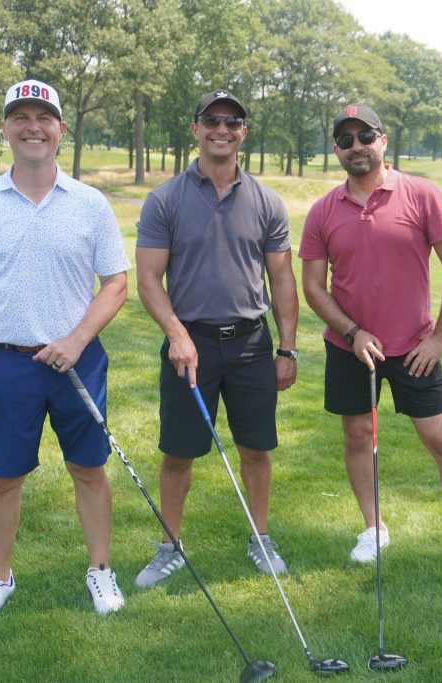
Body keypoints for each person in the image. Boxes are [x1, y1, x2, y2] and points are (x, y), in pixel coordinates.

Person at [0, 79, 131, 627]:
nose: (33, 127)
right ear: (4, 128)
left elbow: (116, 283)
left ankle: (100, 569)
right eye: (20, 117)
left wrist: (76, 341)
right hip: (8, 364)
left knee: (89, 469)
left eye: (43, 117)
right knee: (4, 477)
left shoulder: (90, 204)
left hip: (79, 361)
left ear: (60, 129)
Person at [300, 103, 442, 585]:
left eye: (365, 136)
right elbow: (313, 287)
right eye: (345, 140)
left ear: (383, 141)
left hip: (413, 348)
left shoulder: (422, 195)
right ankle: (374, 528)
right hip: (349, 348)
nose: (356, 147)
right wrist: (352, 332)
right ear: (336, 150)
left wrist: (440, 337)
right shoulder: (323, 210)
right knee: (357, 437)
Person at [133, 90, 299, 586]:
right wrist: (176, 334)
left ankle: (260, 538)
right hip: (190, 345)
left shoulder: (267, 202)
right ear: (196, 128)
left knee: (256, 449)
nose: (221, 129)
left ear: (243, 132)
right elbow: (148, 279)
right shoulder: (165, 199)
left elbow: (282, 280)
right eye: (211, 120)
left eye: (232, 121)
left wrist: (286, 348)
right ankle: (170, 546)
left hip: (250, 343)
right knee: (178, 452)